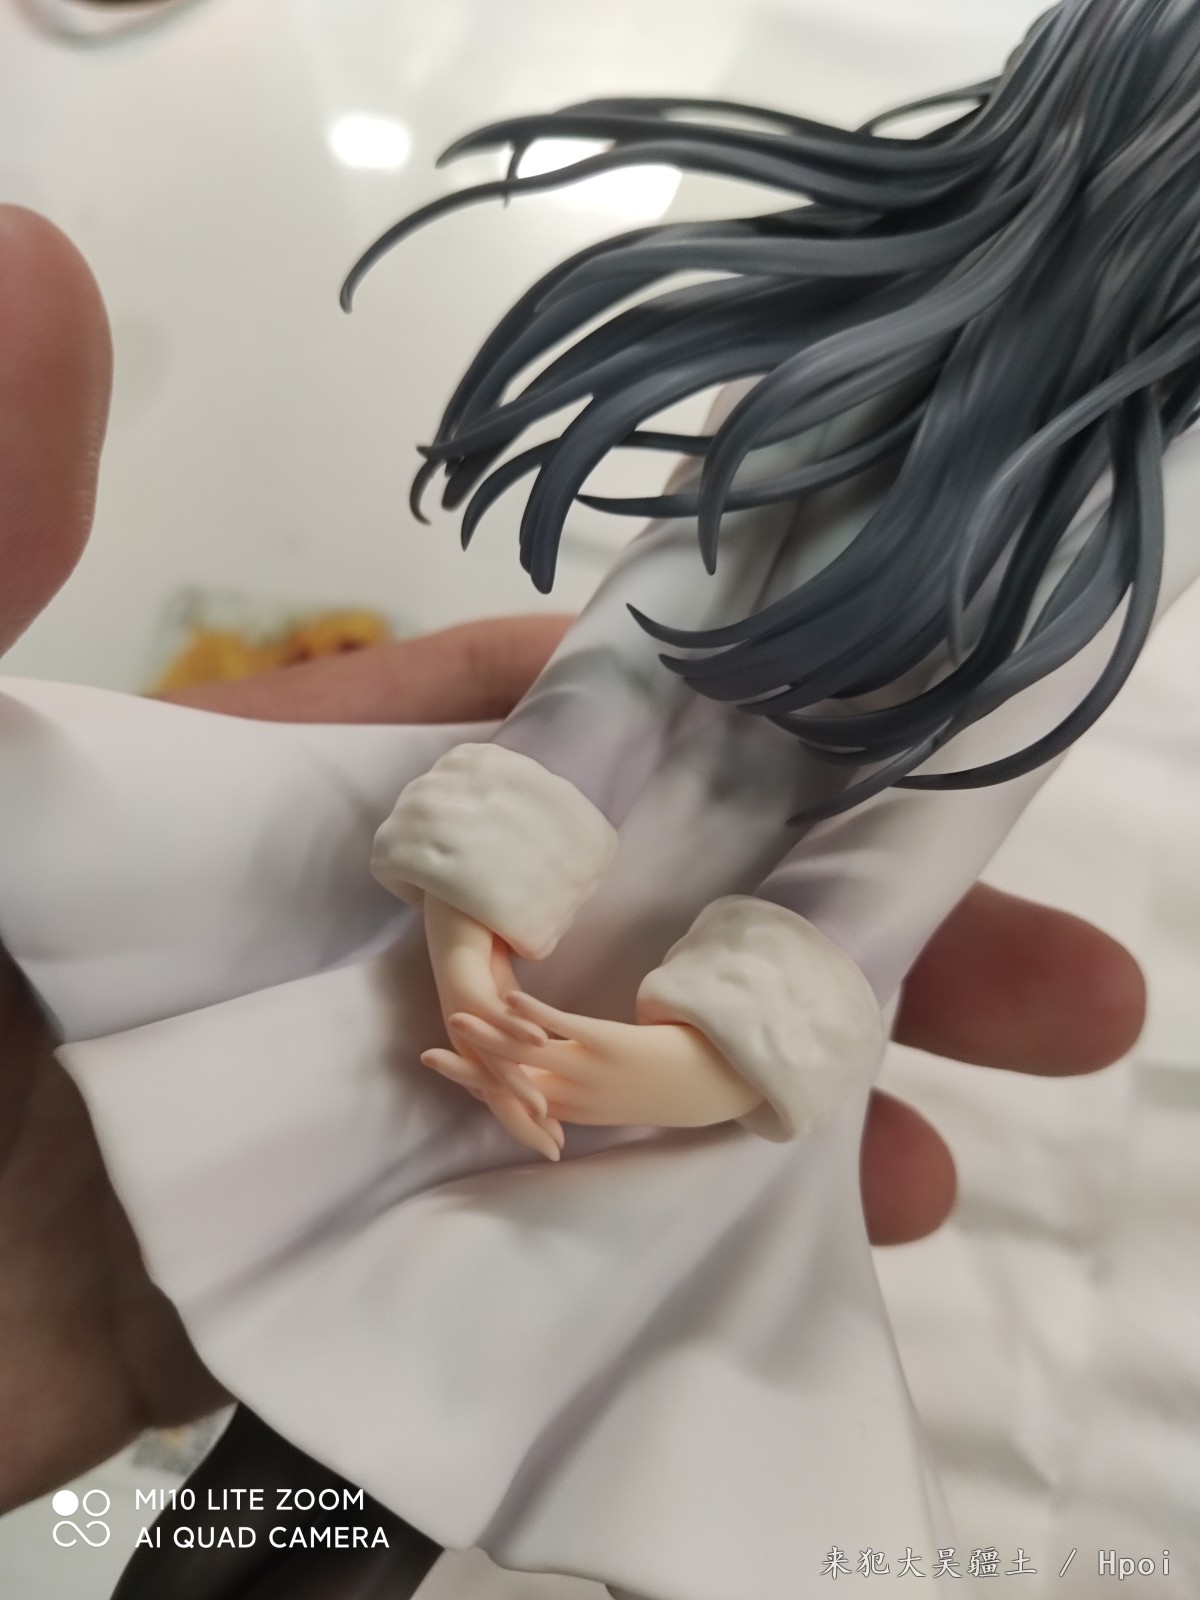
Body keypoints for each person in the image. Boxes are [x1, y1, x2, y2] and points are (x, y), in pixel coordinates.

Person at [0, 201, 1144, 1521]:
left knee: (470, 1391)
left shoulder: (1131, 499)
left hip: (689, 1024)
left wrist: (715, 1056)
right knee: (307, 1244)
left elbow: (934, 812)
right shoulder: (848, 348)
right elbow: (638, 636)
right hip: (515, 917)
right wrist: (476, 901)